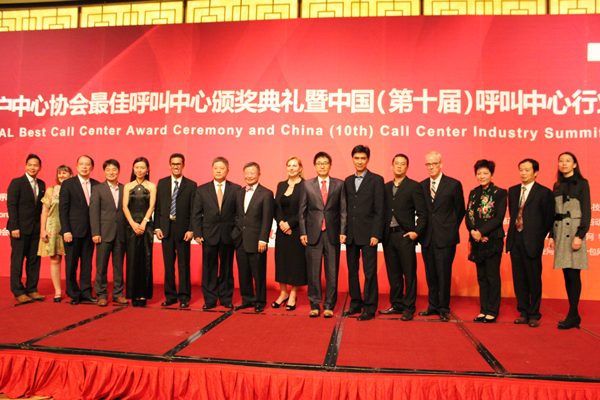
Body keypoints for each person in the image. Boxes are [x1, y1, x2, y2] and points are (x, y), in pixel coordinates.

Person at [506, 159, 554, 328]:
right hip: (515, 239)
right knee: (519, 278)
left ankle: (534, 313)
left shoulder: (544, 192)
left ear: (535, 172)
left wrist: (539, 235)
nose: (523, 173)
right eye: (521, 170)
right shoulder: (513, 191)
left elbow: (548, 218)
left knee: (533, 278)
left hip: (533, 241)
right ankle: (523, 311)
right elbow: (513, 214)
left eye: (527, 170)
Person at [299, 152, 347, 318]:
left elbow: (343, 211)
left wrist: (343, 231)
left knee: (332, 273)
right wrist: (303, 232)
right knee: (313, 272)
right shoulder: (307, 185)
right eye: (319, 163)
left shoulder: (339, 185)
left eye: (325, 163)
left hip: (333, 234)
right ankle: (314, 304)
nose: (322, 166)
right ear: (314, 166)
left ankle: (329, 306)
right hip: (313, 234)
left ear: (330, 165)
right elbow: (302, 211)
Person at [419, 151, 465, 321]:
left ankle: (443, 308)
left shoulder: (453, 184)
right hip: (427, 238)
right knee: (431, 274)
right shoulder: (422, 185)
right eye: (428, 164)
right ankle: (432, 305)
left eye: (434, 164)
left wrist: (449, 228)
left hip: (446, 238)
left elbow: (460, 210)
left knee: (444, 274)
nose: (431, 167)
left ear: (441, 165)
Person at [380, 154, 427, 321]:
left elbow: (423, 213)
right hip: (388, 236)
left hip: (405, 235)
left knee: (409, 272)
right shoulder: (385, 187)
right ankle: (396, 304)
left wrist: (416, 232)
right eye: (396, 163)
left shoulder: (414, 186)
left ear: (407, 167)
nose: (399, 166)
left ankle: (409, 307)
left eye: (403, 164)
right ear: (392, 166)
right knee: (393, 273)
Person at [548, 152, 591, 330]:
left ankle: (572, 314)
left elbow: (586, 211)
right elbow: (553, 212)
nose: (563, 163)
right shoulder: (557, 185)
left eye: (568, 161)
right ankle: (574, 315)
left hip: (574, 231)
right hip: (560, 231)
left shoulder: (582, 183)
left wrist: (580, 235)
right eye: (561, 161)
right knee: (566, 273)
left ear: (574, 164)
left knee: (574, 274)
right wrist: (551, 235)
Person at [193, 157, 240, 310]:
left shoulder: (236, 189)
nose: (218, 171)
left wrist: (236, 233)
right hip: (208, 235)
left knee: (227, 268)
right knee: (209, 269)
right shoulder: (202, 189)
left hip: (228, 235)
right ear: (212, 170)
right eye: (216, 168)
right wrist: (197, 233)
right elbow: (196, 214)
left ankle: (226, 298)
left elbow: (239, 214)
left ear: (228, 170)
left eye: (222, 168)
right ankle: (210, 299)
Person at [344, 145, 384, 321]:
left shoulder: (376, 180)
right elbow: (345, 209)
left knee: (369, 273)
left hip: (369, 235)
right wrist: (343, 231)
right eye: (356, 158)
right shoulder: (347, 181)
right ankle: (355, 303)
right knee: (352, 271)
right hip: (351, 235)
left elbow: (380, 210)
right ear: (352, 159)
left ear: (368, 160)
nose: (359, 161)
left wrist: (376, 234)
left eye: (363, 158)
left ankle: (369, 307)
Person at [466, 159, 507, 323]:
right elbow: (469, 215)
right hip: (477, 241)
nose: (482, 176)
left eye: (485, 173)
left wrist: (481, 232)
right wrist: (473, 232)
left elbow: (498, 217)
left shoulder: (500, 193)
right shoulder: (473, 192)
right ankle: (483, 310)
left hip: (492, 240)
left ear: (492, 175)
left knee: (492, 276)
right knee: (481, 277)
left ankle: (492, 310)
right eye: (479, 173)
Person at [155, 154, 196, 309]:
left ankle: (184, 297)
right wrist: (157, 227)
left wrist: (191, 229)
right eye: (173, 164)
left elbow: (193, 210)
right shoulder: (162, 183)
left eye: (178, 164)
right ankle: (170, 296)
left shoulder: (191, 185)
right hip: (166, 229)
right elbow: (158, 207)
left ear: (183, 165)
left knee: (183, 265)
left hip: (183, 230)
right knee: (168, 265)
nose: (176, 166)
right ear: (169, 165)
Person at [232, 162, 274, 313]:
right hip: (240, 239)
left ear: (259, 174)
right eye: (247, 173)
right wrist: (235, 234)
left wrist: (263, 239)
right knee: (243, 273)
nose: (249, 176)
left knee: (258, 273)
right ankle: (247, 299)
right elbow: (237, 215)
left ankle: (260, 301)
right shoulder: (239, 192)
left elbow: (267, 219)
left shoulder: (266, 193)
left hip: (257, 241)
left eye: (252, 173)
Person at [59, 155, 100, 305]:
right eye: (81, 164)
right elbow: (63, 209)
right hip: (72, 231)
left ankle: (86, 292)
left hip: (90, 232)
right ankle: (73, 293)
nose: (84, 167)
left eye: (87, 164)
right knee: (71, 264)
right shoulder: (68, 184)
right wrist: (66, 230)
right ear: (76, 166)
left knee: (87, 264)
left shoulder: (97, 185)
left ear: (92, 167)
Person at [7, 154, 46, 303]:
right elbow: (11, 205)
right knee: (17, 260)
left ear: (40, 167)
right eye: (30, 165)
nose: (32, 167)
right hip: (20, 229)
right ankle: (18, 291)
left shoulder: (41, 184)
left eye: (35, 165)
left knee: (34, 260)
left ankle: (32, 289)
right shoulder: (17, 182)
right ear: (25, 166)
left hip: (35, 229)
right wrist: (14, 227)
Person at [89, 159, 128, 307]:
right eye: (108, 170)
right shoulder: (98, 189)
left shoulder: (125, 188)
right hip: (104, 233)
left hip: (121, 233)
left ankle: (118, 294)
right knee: (101, 266)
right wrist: (95, 232)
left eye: (114, 169)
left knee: (119, 266)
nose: (111, 172)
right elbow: (94, 212)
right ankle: (102, 294)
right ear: (104, 172)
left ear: (119, 171)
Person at [273, 157, 307, 311]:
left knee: (295, 263)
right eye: (289, 166)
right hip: (282, 230)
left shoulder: (305, 185)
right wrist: (281, 222)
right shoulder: (281, 185)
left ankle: (293, 295)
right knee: (281, 262)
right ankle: (283, 293)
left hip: (297, 230)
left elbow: (304, 209)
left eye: (295, 165)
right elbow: (276, 207)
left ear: (300, 168)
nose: (291, 168)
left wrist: (290, 224)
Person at [123, 157, 157, 307]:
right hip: (131, 226)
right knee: (132, 260)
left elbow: (152, 206)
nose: (139, 170)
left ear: (147, 169)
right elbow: (125, 207)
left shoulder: (152, 186)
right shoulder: (127, 186)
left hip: (146, 226)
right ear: (133, 169)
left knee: (145, 260)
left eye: (142, 167)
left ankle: (143, 295)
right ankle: (133, 294)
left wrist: (144, 223)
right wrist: (132, 223)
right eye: (137, 167)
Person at [39, 165, 72, 303]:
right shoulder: (51, 190)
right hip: (53, 228)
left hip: (70, 228)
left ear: (71, 175)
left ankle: (72, 289)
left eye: (65, 173)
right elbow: (45, 211)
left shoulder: (74, 189)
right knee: (55, 260)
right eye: (60, 173)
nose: (62, 176)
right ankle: (58, 291)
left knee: (71, 260)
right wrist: (42, 230)